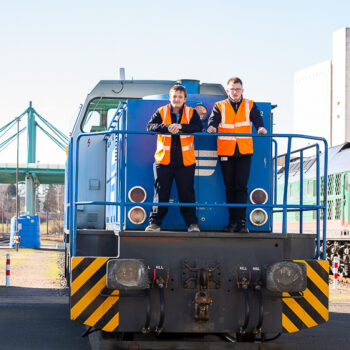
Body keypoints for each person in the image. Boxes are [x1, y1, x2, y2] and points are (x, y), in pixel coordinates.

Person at [207, 77, 267, 233]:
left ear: (242, 90)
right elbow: (213, 120)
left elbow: (257, 119)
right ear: (227, 91)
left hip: (244, 151)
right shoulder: (219, 106)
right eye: (232, 89)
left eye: (238, 89)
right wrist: (212, 127)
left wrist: (260, 127)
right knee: (230, 187)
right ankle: (232, 221)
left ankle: (241, 222)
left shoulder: (250, 104)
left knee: (241, 187)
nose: (235, 92)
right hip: (226, 151)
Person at [146, 84, 202, 232]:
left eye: (180, 97)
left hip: (185, 161)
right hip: (163, 161)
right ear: (170, 97)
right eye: (174, 96)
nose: (177, 99)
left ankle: (192, 224)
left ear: (185, 99)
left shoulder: (191, 112)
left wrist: (181, 127)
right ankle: (155, 223)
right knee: (161, 193)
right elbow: (150, 126)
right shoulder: (161, 111)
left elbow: (198, 127)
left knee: (187, 194)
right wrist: (167, 127)